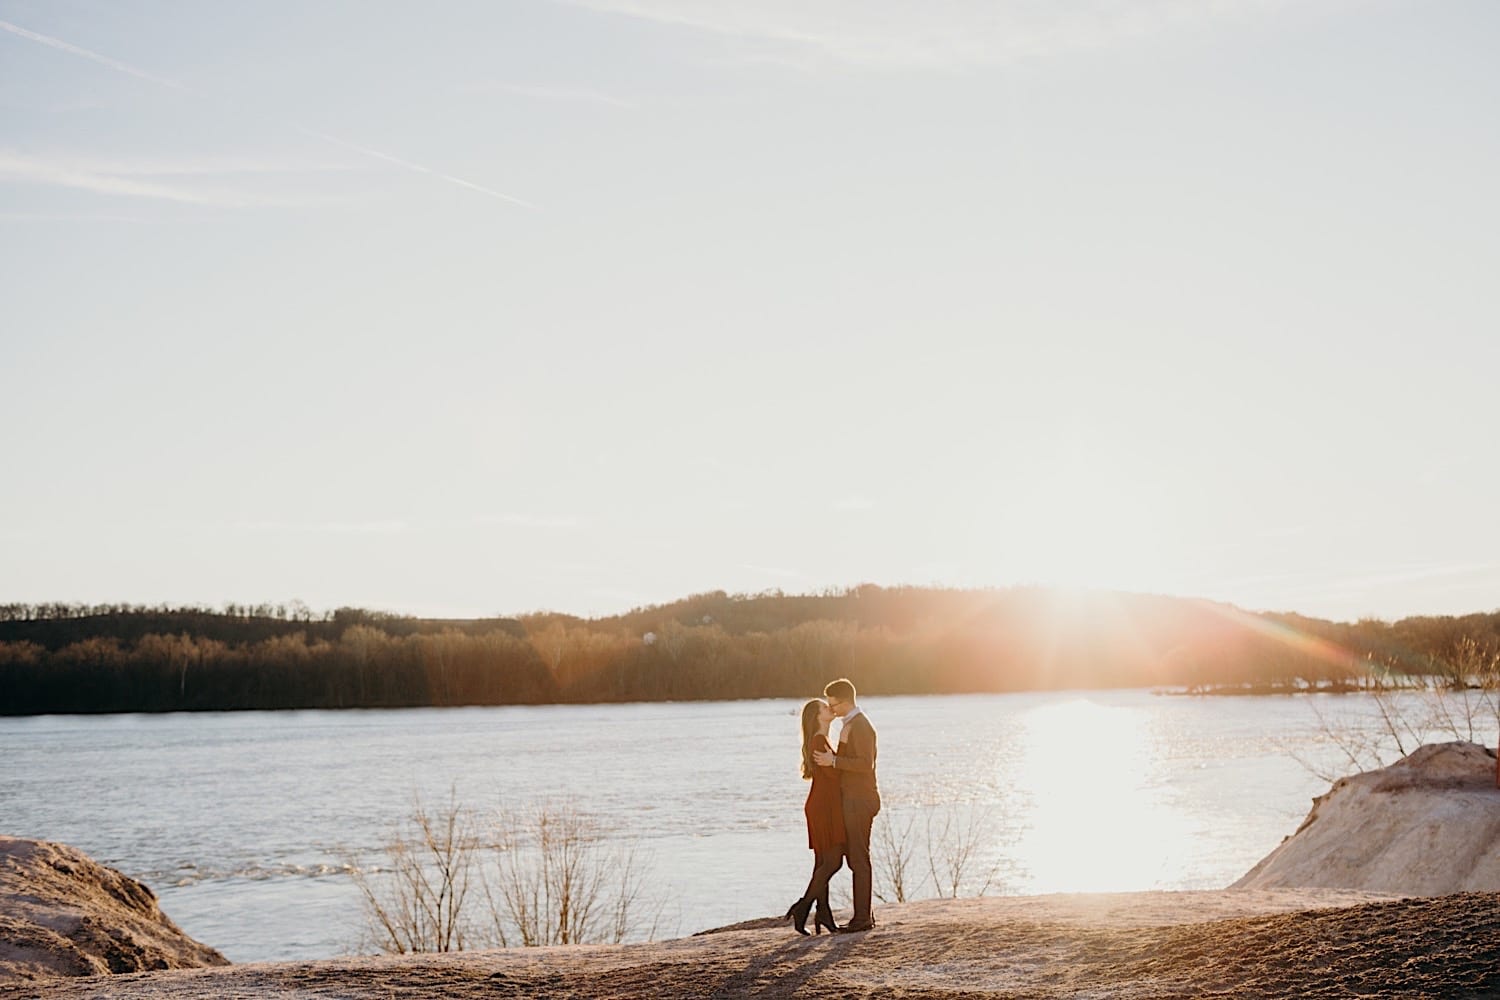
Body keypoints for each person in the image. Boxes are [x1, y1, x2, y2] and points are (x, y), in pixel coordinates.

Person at [813, 677, 879, 932]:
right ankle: (864, 915)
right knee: (856, 858)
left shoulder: (861, 726)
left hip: (860, 800)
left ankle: (862, 919)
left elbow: (865, 764)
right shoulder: (850, 724)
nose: (832, 710)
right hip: (853, 800)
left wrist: (834, 762)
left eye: (834, 704)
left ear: (846, 701)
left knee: (859, 860)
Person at [784, 698, 845, 935]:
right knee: (833, 862)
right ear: (817, 716)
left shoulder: (821, 740)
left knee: (822, 864)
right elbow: (835, 777)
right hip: (823, 807)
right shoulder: (819, 741)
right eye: (825, 707)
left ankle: (823, 913)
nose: (830, 708)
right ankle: (804, 907)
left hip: (822, 805)